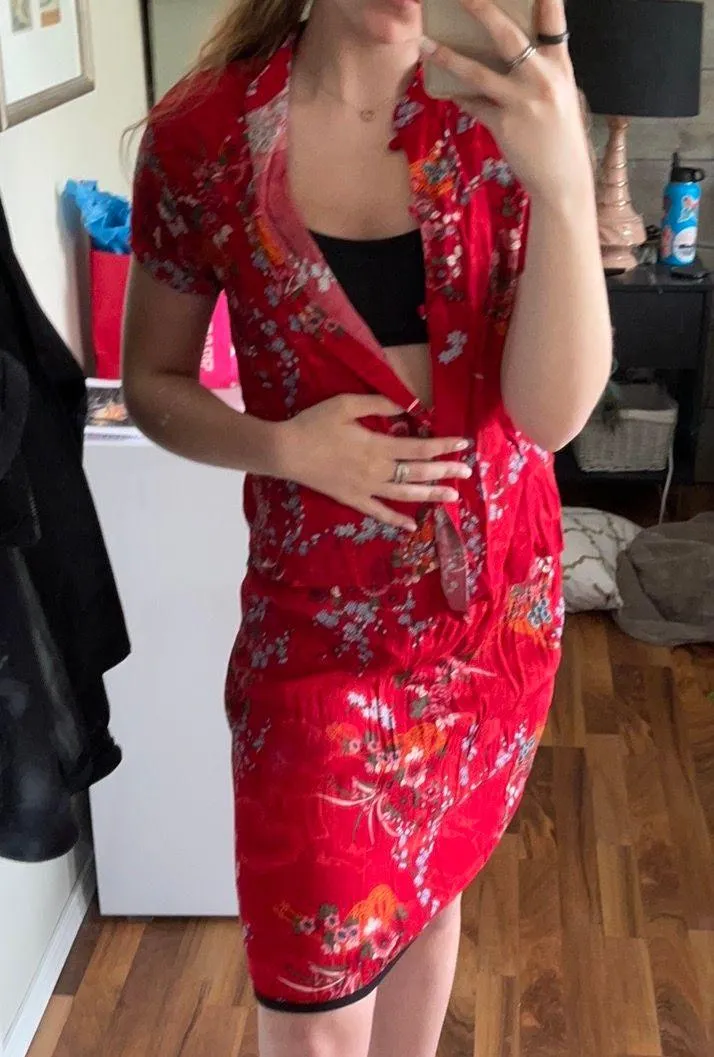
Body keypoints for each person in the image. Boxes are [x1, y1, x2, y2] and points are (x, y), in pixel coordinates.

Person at [123, 0, 611, 1053]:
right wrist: (287, 448)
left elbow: (549, 417)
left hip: (493, 630)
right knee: (311, 1010)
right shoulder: (201, 138)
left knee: (428, 892)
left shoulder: (504, 114)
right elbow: (152, 384)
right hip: (317, 644)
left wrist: (565, 181)